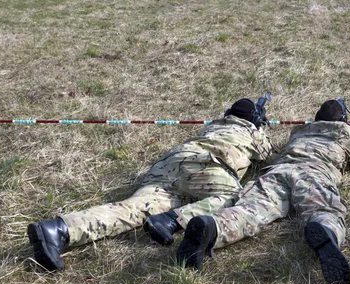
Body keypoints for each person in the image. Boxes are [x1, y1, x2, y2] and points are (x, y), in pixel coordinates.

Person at [27, 98, 274, 271]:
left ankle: (59, 230)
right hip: (209, 167)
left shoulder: (213, 125)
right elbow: (266, 152)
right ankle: (173, 220)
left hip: (170, 165)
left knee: (132, 208)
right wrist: (262, 126)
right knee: (234, 197)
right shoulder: (252, 132)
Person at [175, 99, 350, 284]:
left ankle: (213, 227)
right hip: (314, 172)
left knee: (250, 210)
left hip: (278, 171)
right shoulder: (343, 132)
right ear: (341, 120)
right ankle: (327, 232)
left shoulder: (299, 131)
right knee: (323, 208)